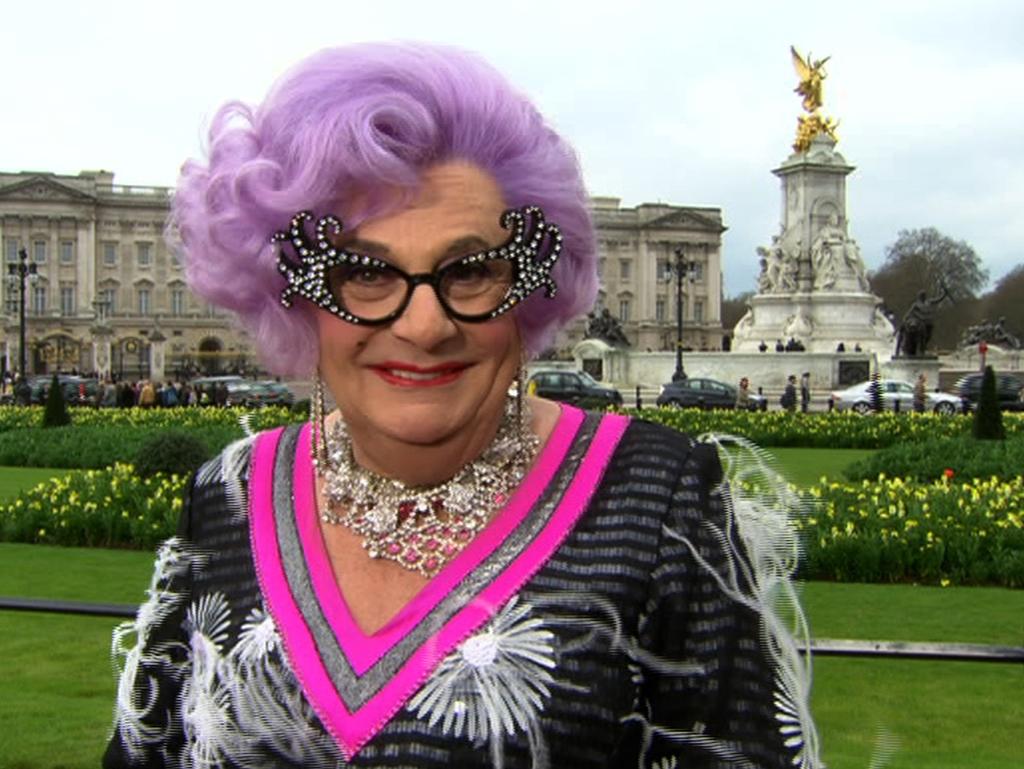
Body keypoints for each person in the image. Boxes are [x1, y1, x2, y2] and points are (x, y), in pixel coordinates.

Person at [104, 43, 817, 769]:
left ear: (531, 288)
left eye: (471, 270)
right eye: (363, 272)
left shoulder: (664, 502)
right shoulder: (228, 496)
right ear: (294, 295)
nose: (423, 326)